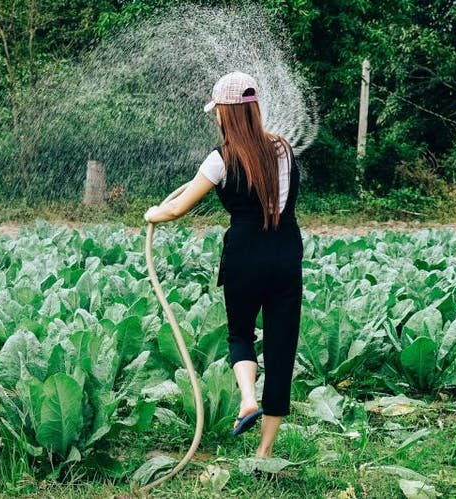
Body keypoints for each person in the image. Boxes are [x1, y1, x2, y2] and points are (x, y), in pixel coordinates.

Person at [143, 71, 303, 459]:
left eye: (218, 112)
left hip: (245, 255)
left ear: (227, 114)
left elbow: (178, 207)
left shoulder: (221, 159)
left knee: (240, 334)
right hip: (285, 253)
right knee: (281, 348)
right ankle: (264, 453)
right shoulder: (283, 148)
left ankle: (248, 399)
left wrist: (153, 213)